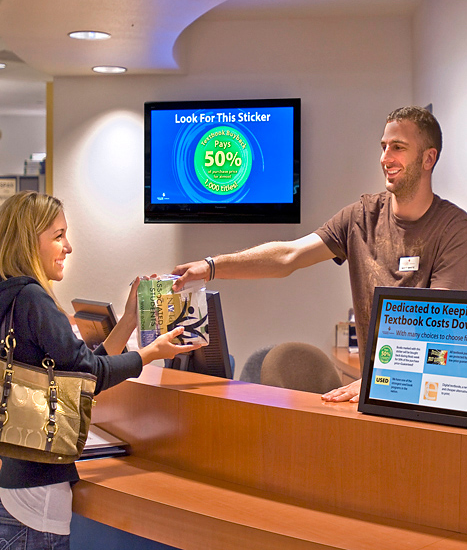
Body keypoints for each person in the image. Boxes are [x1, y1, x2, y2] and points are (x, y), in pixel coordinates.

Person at [171, 106, 467, 404]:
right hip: (372, 394)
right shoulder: (362, 217)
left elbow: (437, 331)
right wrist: (211, 267)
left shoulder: (454, 230)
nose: (385, 158)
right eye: (383, 147)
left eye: (398, 148)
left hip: (427, 398)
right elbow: (288, 256)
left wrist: (379, 380)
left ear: (429, 158)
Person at [0, 191, 200, 550]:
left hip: (18, 482)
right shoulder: (33, 299)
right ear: (31, 242)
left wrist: (126, 323)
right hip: (37, 495)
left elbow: (78, 372)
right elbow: (90, 375)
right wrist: (150, 352)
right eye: (58, 236)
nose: (69, 247)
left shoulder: (11, 296)